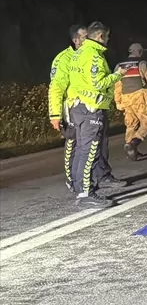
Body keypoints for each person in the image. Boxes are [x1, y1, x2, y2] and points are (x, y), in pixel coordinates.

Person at [64, 21, 127, 208]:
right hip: (90, 108)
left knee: (81, 150)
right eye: (106, 37)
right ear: (100, 36)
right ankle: (86, 194)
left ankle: (79, 189)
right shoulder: (95, 56)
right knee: (89, 151)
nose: (107, 40)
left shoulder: (79, 53)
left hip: (77, 107)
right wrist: (118, 74)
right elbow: (99, 83)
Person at [48, 23, 87, 188]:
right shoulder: (64, 59)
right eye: (85, 37)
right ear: (76, 39)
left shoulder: (89, 55)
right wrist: (55, 115)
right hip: (70, 108)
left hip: (88, 108)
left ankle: (88, 179)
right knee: (72, 142)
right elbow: (56, 88)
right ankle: (71, 179)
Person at [112, 43, 147, 159]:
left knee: (131, 125)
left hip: (126, 99)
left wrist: (118, 102)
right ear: (140, 52)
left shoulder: (119, 66)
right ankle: (133, 143)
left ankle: (131, 150)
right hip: (140, 97)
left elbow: (117, 86)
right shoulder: (143, 64)